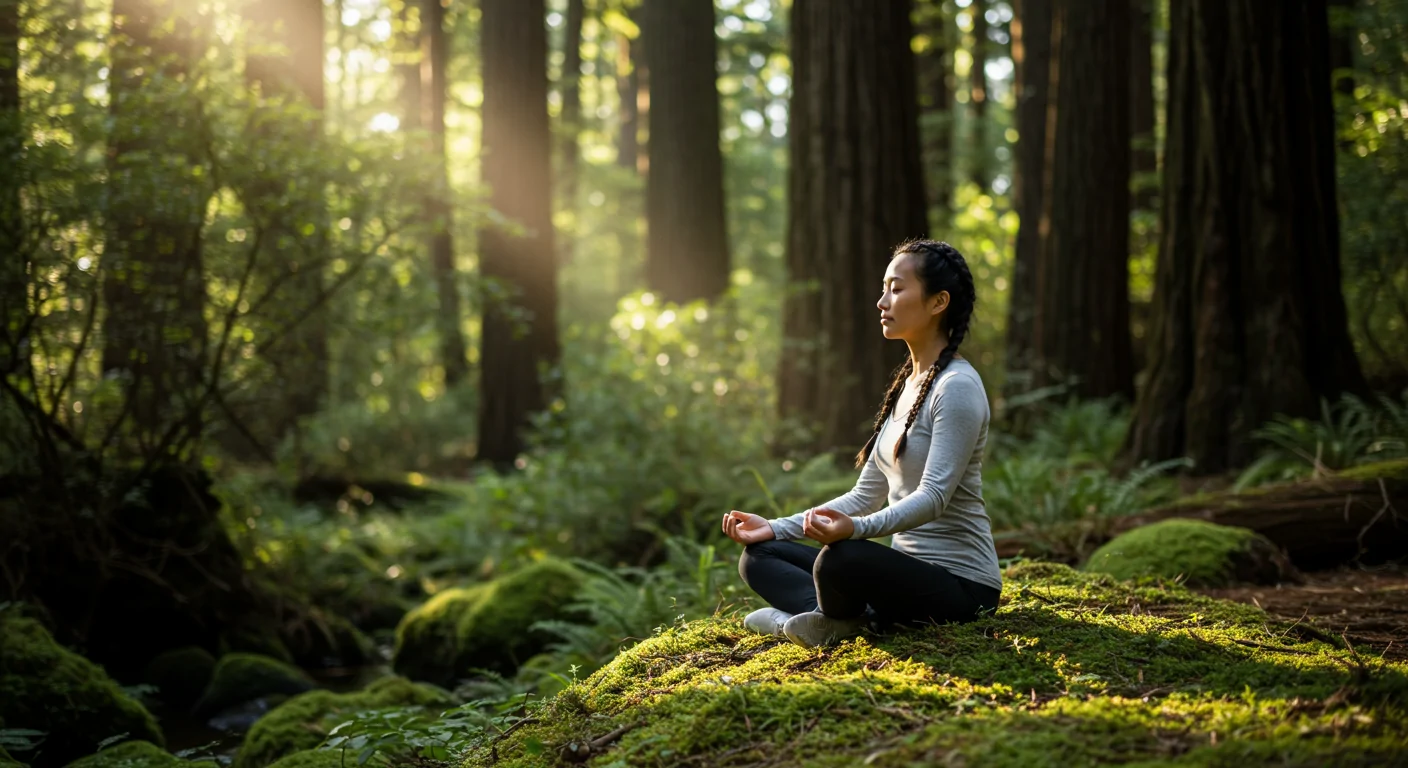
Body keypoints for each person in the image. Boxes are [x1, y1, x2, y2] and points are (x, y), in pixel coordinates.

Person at [721, 239, 1002, 648]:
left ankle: (815, 621)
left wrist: (856, 530)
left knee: (842, 557)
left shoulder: (956, 387)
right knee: (761, 555)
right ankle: (839, 620)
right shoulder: (908, 386)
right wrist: (775, 527)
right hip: (906, 573)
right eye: (884, 288)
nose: (881, 302)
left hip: (963, 587)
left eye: (897, 289)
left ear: (938, 302)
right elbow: (865, 494)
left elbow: (934, 497)